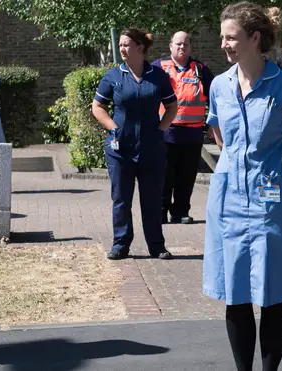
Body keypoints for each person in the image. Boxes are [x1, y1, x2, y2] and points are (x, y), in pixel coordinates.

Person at [202, 2, 282, 370]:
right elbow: (219, 137)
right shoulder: (219, 85)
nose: (225, 44)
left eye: (231, 37)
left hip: (269, 197)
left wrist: (276, 148)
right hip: (227, 197)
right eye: (223, 38)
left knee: (271, 291)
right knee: (234, 293)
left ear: (254, 39)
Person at [92, 28, 178, 260]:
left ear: (140, 48)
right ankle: (121, 244)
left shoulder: (158, 76)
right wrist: (113, 129)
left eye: (126, 44)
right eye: (120, 45)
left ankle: (157, 246)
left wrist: (160, 130)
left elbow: (172, 107)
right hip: (120, 150)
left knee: (152, 200)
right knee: (121, 199)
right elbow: (97, 107)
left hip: (152, 150)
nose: (122, 49)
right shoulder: (113, 76)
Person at [153, 31, 215, 225]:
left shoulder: (200, 70)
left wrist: (213, 124)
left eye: (185, 44)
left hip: (193, 134)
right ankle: (160, 211)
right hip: (166, 132)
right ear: (170, 46)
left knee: (187, 177)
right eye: (178, 44)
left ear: (190, 47)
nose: (182, 47)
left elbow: (215, 96)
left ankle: (180, 212)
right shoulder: (159, 67)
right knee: (164, 175)